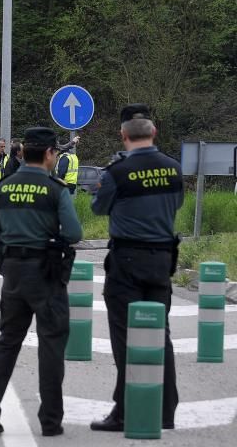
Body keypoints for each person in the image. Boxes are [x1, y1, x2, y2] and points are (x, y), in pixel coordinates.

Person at [0, 127, 81, 437]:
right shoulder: (55, 189)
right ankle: (50, 420)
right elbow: (74, 233)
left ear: (21, 153)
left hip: (13, 272)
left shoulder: (4, 187)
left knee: (7, 342)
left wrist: (2, 263)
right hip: (46, 274)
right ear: (49, 153)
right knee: (51, 343)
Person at [89, 105, 184, 433]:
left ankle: (125, 411)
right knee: (161, 333)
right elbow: (178, 204)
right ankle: (167, 410)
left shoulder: (117, 172)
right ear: (154, 132)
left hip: (127, 260)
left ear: (124, 135)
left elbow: (98, 207)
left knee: (124, 336)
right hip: (162, 260)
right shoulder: (173, 168)